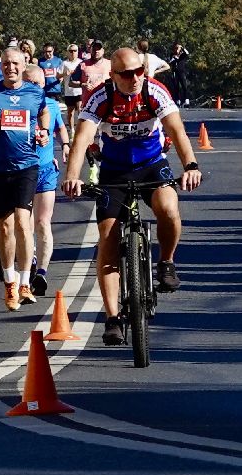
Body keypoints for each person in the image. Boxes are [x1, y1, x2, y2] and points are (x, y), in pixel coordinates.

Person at [62, 49, 202, 346]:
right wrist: (72, 176)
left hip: (152, 164)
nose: (135, 78)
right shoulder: (100, 97)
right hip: (114, 171)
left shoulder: (154, 91)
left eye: (139, 71)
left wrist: (191, 166)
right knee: (108, 236)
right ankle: (112, 318)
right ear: (113, 75)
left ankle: (166, 262)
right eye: (127, 74)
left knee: (168, 207)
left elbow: (176, 130)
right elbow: (83, 137)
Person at [0, 47, 51, 311]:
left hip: (27, 166)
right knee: (4, 227)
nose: (10, 68)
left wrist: (44, 132)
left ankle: (25, 282)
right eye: (5, 63)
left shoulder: (34, 93)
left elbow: (44, 113)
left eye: (15, 63)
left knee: (23, 223)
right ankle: (9, 282)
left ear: (23, 65)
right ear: (0, 66)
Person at [30, 99, 69, 298]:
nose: (36, 86)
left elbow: (60, 128)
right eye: (32, 84)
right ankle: (29, 260)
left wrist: (65, 145)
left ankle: (41, 272)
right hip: (22, 171)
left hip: (46, 171)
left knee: (43, 222)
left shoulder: (52, 106)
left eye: (39, 84)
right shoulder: (17, 103)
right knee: (25, 225)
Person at [60, 42, 85, 124]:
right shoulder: (64, 63)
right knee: (70, 112)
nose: (73, 53)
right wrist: (65, 73)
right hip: (69, 91)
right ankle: (72, 130)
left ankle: (80, 128)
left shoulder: (82, 63)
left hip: (79, 91)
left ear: (78, 52)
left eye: (75, 51)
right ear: (67, 52)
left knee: (80, 110)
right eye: (71, 51)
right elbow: (57, 75)